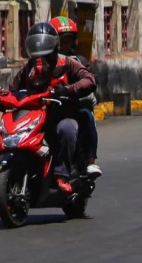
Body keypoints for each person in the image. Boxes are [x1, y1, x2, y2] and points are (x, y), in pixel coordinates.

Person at [7, 21, 95, 195]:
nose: (42, 57)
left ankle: (62, 175)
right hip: (36, 117)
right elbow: (12, 89)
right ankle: (13, 185)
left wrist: (68, 89)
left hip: (62, 115)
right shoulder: (29, 69)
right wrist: (3, 98)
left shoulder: (68, 62)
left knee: (68, 129)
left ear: (54, 47)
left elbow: (89, 80)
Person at [50, 16, 100, 177]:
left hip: (73, 106)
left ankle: (90, 161)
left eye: (68, 41)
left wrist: (69, 90)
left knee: (87, 116)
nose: (65, 45)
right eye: (61, 41)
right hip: (50, 107)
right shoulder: (43, 62)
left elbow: (89, 81)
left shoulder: (78, 61)